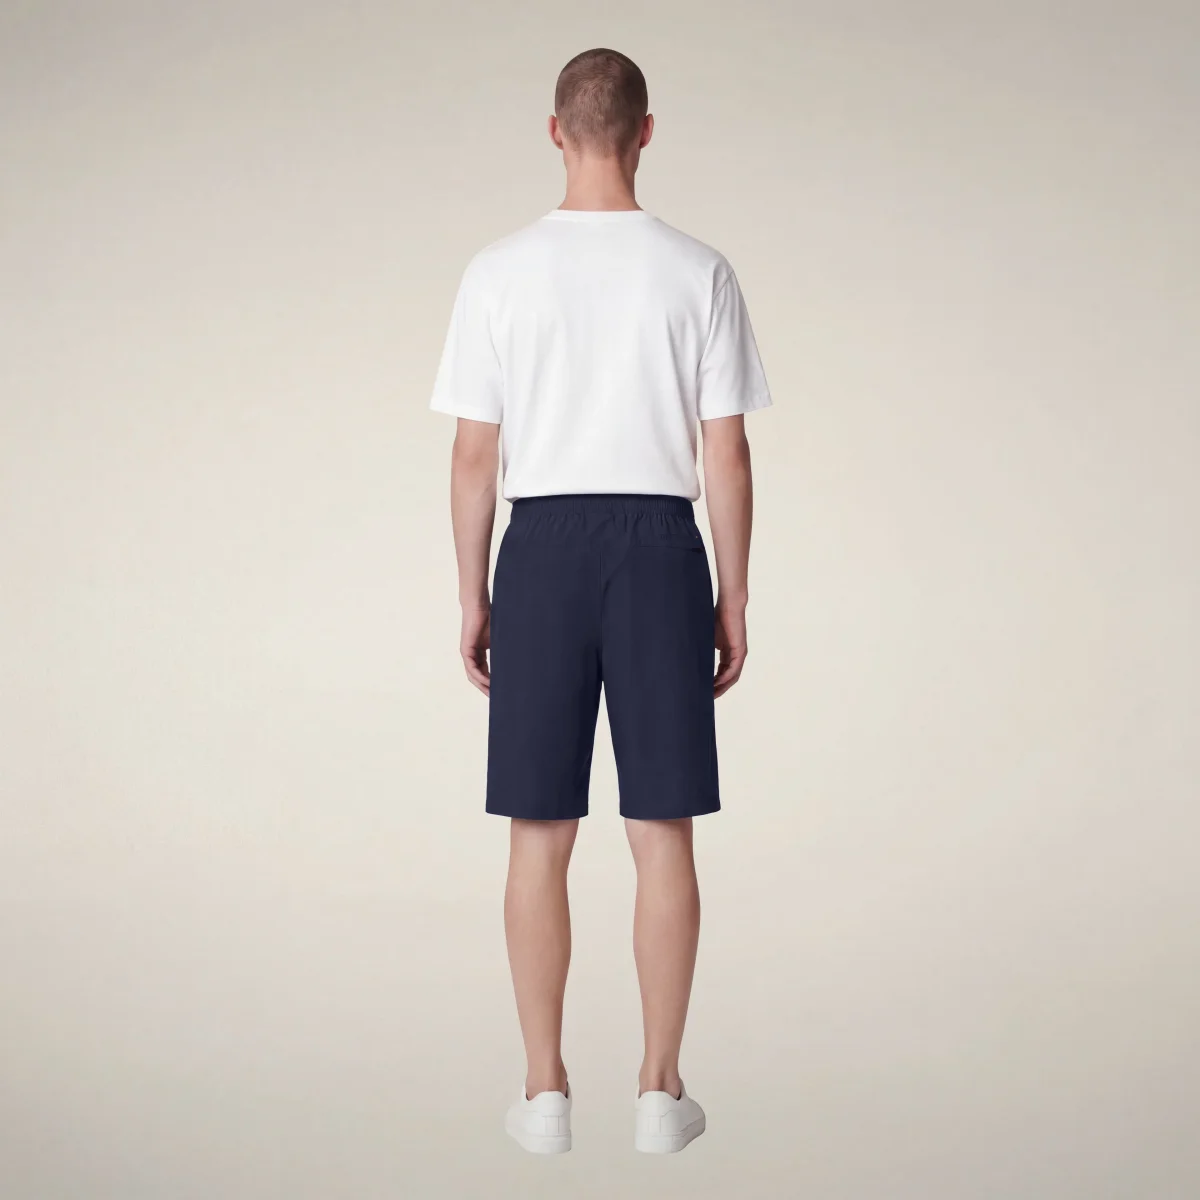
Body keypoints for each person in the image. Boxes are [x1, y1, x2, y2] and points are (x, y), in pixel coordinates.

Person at [430, 47, 771, 1155]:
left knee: (540, 830)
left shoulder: (497, 272)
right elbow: (727, 453)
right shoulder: (699, 271)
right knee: (661, 828)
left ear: (554, 131)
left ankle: (544, 1093)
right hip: (662, 547)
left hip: (541, 548)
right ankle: (661, 1092)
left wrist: (474, 593)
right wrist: (733, 596)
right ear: (646, 131)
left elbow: (474, 458)